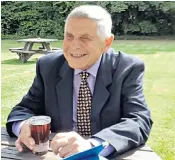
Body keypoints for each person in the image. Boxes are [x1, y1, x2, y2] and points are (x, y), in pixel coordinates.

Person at [6, 5, 153, 159]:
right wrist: (23, 126)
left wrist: (92, 145)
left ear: (107, 43)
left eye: (85, 38)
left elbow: (138, 120)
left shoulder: (126, 68)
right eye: (69, 36)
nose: (74, 45)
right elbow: (23, 109)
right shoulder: (48, 66)